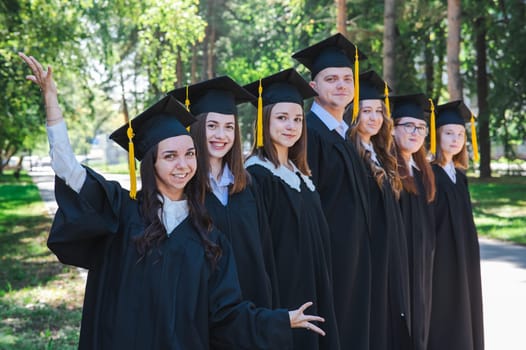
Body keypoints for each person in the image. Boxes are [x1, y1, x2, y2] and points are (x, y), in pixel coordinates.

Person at [19, 52, 325, 349]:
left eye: (189, 154)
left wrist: (280, 320)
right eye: (170, 156)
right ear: (151, 164)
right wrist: (52, 106)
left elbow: (226, 314)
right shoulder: (123, 212)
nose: (183, 165)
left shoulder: (207, 235)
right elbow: (69, 170)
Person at [243, 68, 340, 350]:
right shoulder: (257, 176)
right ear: (264, 121)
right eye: (282, 118)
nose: (291, 126)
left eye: (297, 119)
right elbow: (259, 249)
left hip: (314, 289)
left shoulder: (300, 175)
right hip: (284, 297)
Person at [292, 32, 372, 350]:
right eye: (330, 79)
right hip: (331, 259)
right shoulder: (310, 134)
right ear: (314, 87)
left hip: (354, 257)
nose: (340, 85)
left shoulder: (344, 134)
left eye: (346, 78)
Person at [168, 77, 276, 308]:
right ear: (196, 128)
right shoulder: (185, 189)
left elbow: (264, 247)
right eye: (212, 125)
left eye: (229, 127)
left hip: (253, 301)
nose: (222, 135)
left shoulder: (247, 184)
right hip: (204, 306)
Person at [348, 70, 411, 350]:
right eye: (365, 111)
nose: (373, 117)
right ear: (353, 113)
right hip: (368, 256)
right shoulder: (350, 152)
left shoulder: (382, 153)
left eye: (378, 111)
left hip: (387, 255)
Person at [428, 100, 484, 350]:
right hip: (441, 257)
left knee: (466, 304)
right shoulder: (429, 172)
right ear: (436, 135)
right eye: (448, 133)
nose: (456, 139)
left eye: (460, 134)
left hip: (465, 255)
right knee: (446, 308)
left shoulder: (459, 175)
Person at [391, 93, 436, 350]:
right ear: (393, 128)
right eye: (408, 126)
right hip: (401, 263)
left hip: (421, 265)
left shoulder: (422, 172)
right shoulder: (390, 170)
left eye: (421, 128)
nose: (415, 132)